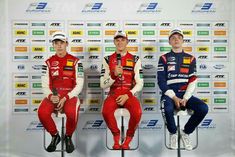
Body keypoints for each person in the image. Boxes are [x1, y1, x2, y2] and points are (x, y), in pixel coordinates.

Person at [157, 28, 208, 150]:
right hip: (170, 95)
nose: (176, 40)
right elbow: (161, 81)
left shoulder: (190, 58)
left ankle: (186, 132)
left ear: (183, 40)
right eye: (173, 38)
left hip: (185, 94)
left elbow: (193, 80)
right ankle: (173, 133)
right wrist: (174, 97)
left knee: (203, 108)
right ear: (169, 41)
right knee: (167, 108)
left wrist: (185, 98)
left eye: (179, 37)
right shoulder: (163, 58)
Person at [38, 31, 84, 153]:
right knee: (42, 112)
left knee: (71, 113)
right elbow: (44, 84)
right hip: (53, 95)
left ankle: (68, 136)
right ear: (53, 45)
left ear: (66, 44)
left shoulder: (76, 61)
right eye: (56, 43)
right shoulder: (47, 62)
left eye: (61, 43)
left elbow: (79, 85)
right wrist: (50, 96)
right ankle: (55, 136)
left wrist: (66, 98)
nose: (59, 45)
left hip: (70, 95)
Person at [100, 30, 143, 150]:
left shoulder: (135, 59)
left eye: (122, 40)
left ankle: (128, 138)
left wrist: (128, 95)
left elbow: (140, 83)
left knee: (137, 112)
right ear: (114, 42)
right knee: (105, 111)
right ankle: (116, 135)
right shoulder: (107, 59)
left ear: (127, 41)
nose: (120, 42)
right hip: (113, 94)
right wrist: (113, 76)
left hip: (129, 94)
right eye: (117, 40)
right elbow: (102, 85)